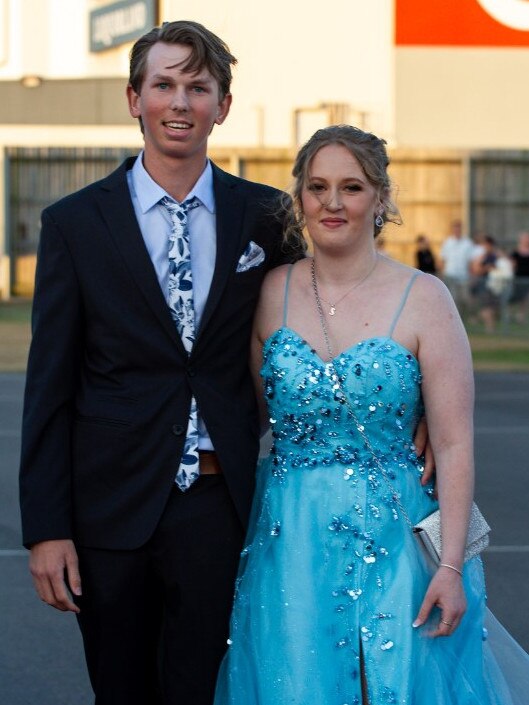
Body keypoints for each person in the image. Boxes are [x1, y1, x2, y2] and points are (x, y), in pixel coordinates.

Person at [18, 20, 306, 705]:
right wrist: (47, 529)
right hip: (109, 506)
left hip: (215, 502)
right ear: (133, 98)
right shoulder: (75, 224)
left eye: (198, 87)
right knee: (120, 690)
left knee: (201, 688)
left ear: (222, 106)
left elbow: (317, 327)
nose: (180, 102)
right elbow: (49, 388)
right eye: (164, 84)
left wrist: (400, 405)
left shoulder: (266, 217)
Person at [214, 125, 529, 704]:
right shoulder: (269, 292)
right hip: (291, 542)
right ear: (300, 198)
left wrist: (452, 567)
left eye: (352, 187)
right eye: (318, 187)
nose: (333, 202)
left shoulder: (425, 297)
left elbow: (455, 444)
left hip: (398, 540)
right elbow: (245, 415)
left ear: (381, 199)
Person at [439, 218, 474, 316]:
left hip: (464, 276)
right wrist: (441, 274)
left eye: (458, 228)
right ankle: (454, 317)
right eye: (455, 228)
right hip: (450, 275)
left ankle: (466, 316)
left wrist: (471, 276)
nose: (457, 230)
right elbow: (443, 260)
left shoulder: (467, 243)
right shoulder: (447, 243)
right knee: (453, 299)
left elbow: (470, 262)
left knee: (465, 298)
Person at [510, 231, 529, 323]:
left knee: (525, 300)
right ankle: (513, 316)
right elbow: (512, 265)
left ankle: (522, 317)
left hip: (527, 280)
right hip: (518, 279)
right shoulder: (516, 252)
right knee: (517, 298)